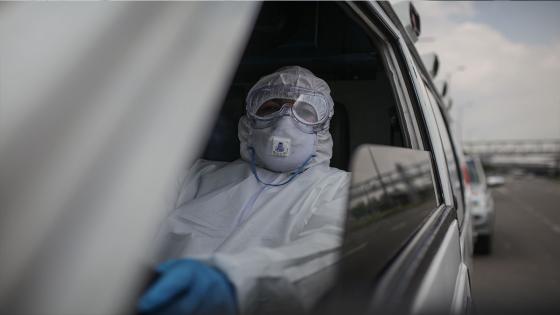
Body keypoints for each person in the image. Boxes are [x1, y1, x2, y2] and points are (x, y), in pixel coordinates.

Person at [138, 66, 350, 315]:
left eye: (304, 112)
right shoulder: (194, 176)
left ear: (323, 128)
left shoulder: (340, 188)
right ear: (249, 121)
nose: (285, 120)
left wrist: (233, 283)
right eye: (270, 108)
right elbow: (129, 223)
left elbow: (325, 253)